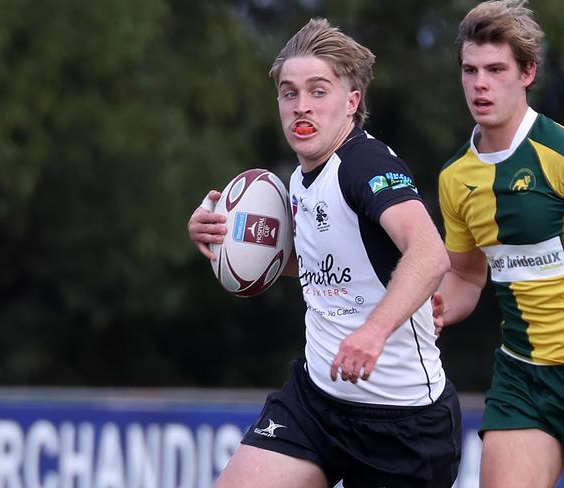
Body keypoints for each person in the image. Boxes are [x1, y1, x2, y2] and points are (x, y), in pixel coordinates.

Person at [188, 18, 461, 488]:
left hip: (402, 427)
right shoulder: (297, 178)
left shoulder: (363, 165)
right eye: (289, 93)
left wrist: (374, 331)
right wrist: (224, 240)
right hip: (315, 403)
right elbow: (322, 266)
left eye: (318, 91)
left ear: (352, 102)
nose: (301, 106)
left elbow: (431, 254)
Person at [433, 1, 564, 486]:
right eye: (470, 70)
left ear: (527, 72)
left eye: (495, 69)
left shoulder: (557, 154)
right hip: (523, 379)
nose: (480, 84)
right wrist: (437, 304)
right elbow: (467, 274)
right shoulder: (454, 178)